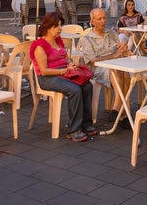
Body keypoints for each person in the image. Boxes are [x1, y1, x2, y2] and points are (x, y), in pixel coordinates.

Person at [30, 12, 96, 142]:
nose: (60, 28)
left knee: (87, 85)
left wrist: (70, 65)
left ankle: (86, 123)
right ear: (48, 28)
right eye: (57, 26)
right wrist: (64, 71)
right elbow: (44, 71)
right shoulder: (39, 46)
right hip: (47, 78)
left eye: (60, 25)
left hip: (63, 72)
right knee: (74, 90)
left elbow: (64, 60)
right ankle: (74, 130)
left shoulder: (58, 41)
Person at [78, 8, 130, 123]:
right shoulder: (87, 39)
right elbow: (94, 61)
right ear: (92, 21)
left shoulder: (112, 34)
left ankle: (119, 110)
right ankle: (123, 113)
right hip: (97, 70)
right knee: (117, 69)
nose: (103, 21)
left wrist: (125, 49)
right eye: (99, 19)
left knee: (126, 73)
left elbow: (120, 50)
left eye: (104, 18)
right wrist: (114, 56)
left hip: (115, 66)